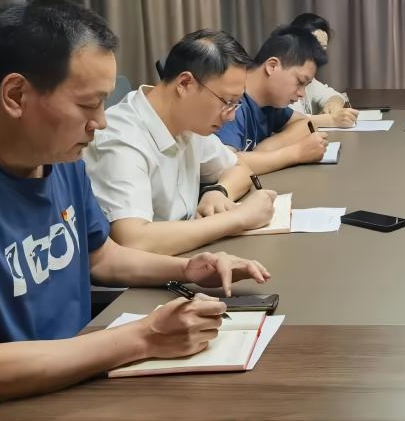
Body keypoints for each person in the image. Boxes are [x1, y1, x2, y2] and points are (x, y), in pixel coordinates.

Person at [0, 0, 270, 418]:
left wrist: (187, 270)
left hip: (79, 376)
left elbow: (100, 255)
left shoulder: (60, 158)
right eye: (87, 104)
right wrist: (144, 337)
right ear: (16, 94)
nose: (100, 122)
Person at [84, 30, 277, 256]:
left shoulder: (189, 123)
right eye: (227, 102)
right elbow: (134, 241)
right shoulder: (121, 138)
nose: (231, 116)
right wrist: (238, 218)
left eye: (236, 104)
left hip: (188, 258)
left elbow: (239, 168)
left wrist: (218, 191)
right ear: (185, 83)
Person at [216, 25, 329, 172]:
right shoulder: (231, 102)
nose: (302, 93)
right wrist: (296, 153)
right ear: (272, 66)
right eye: (300, 82)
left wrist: (265, 149)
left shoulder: (269, 104)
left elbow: (305, 123)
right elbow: (223, 165)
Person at [287, 12, 358, 128]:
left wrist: (333, 104)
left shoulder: (309, 79)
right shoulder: (283, 76)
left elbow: (335, 95)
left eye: (323, 49)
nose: (318, 55)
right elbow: (287, 121)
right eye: (314, 46)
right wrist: (332, 119)